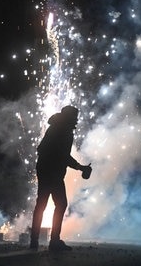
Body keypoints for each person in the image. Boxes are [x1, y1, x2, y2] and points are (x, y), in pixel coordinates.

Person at [30, 105, 92, 251]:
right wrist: (80, 167)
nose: (76, 120)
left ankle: (34, 241)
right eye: (74, 117)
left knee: (41, 204)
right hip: (53, 172)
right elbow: (63, 156)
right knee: (61, 204)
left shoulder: (55, 127)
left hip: (44, 169)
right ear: (69, 117)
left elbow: (41, 149)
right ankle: (54, 241)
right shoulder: (64, 131)